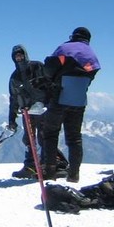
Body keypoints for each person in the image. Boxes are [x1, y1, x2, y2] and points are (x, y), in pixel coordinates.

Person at [40, 27, 100, 183]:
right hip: (79, 101)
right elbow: (91, 75)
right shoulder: (92, 55)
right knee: (74, 138)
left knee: (50, 133)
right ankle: (74, 174)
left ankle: (50, 170)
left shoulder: (65, 48)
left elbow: (49, 68)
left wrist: (51, 81)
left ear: (73, 36)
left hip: (59, 97)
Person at [8, 44, 69, 179]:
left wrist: (48, 101)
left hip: (43, 108)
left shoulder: (37, 66)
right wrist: (11, 119)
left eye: (21, 55)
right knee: (28, 138)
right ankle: (31, 166)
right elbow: (13, 99)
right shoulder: (14, 77)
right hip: (27, 110)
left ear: (25, 55)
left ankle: (54, 164)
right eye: (16, 56)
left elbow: (49, 82)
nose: (19, 58)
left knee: (44, 137)